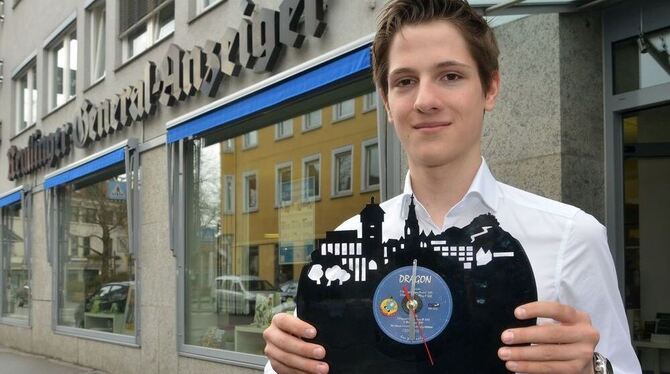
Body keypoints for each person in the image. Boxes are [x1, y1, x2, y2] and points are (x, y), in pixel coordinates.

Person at [263, 0, 641, 373]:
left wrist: (595, 369)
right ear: (387, 102)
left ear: (490, 88)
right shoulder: (348, 244)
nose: (426, 100)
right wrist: (282, 364)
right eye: (405, 81)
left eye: (450, 76)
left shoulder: (572, 238)